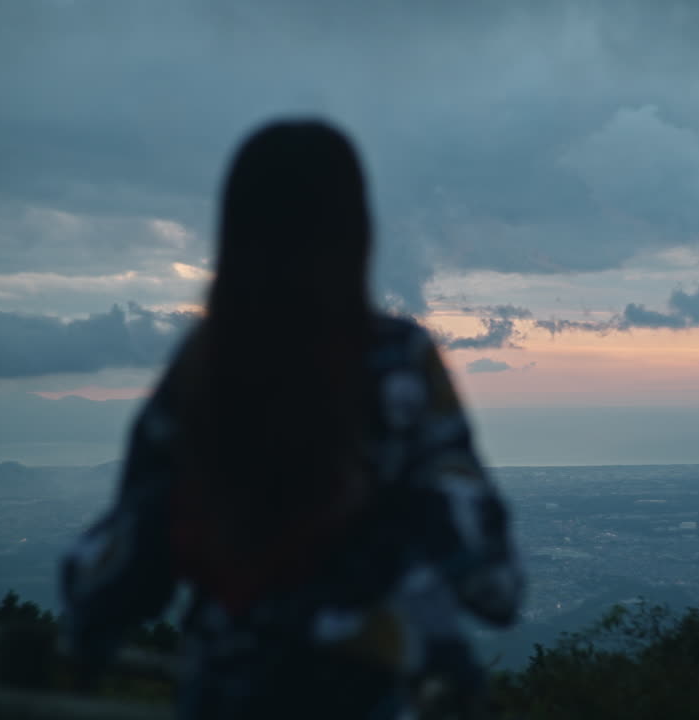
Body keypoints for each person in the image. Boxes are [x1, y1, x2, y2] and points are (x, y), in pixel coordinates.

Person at [59, 119, 523, 719]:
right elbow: (490, 577)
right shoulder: (397, 368)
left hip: (227, 694)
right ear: (357, 229)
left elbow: (115, 565)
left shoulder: (204, 366)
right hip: (369, 696)